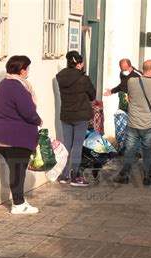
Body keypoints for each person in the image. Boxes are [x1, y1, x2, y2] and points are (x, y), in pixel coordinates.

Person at [0, 55, 42, 215]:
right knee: (18, 171)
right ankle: (18, 204)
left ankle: (20, 201)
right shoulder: (17, 87)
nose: (28, 72)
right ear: (22, 70)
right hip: (15, 138)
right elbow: (28, 112)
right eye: (27, 69)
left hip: (0, 136)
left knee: (14, 170)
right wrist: (38, 120)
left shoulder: (4, 84)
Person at [113, 60, 151, 186]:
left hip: (133, 123)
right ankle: (148, 177)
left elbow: (130, 94)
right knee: (147, 151)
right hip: (150, 124)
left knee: (130, 150)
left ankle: (123, 175)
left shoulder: (132, 82)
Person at [56, 51, 96, 187]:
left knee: (67, 144)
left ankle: (64, 175)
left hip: (66, 115)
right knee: (78, 145)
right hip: (81, 115)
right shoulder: (83, 79)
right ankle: (76, 176)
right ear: (79, 64)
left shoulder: (60, 76)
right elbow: (92, 95)